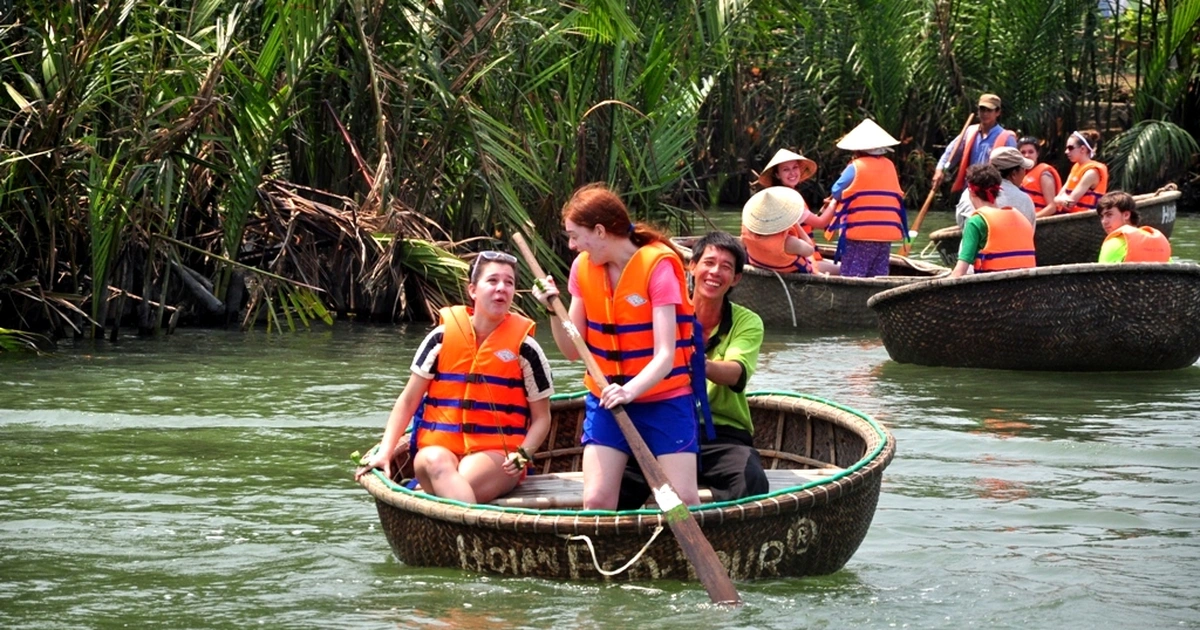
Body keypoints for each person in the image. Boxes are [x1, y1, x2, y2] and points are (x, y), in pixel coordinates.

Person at [532, 183, 703, 511]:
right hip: (607, 400)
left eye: (574, 235)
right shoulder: (583, 269)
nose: (571, 245)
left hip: (664, 400)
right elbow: (572, 350)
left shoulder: (658, 267)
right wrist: (551, 309)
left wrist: (629, 391)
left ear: (599, 231)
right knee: (596, 500)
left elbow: (666, 356)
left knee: (683, 502)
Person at [355, 251, 554, 504]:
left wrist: (523, 453)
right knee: (435, 462)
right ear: (472, 290)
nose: (501, 288)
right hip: (439, 450)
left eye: (509, 283)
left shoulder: (526, 348)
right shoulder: (440, 338)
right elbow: (408, 401)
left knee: (463, 478)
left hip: (497, 456)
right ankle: (472, 527)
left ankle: (462, 526)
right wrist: (385, 452)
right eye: (492, 281)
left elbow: (542, 417)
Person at [617, 231, 768, 509]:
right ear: (692, 266)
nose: (715, 272)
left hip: (721, 435)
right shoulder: (663, 310)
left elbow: (737, 372)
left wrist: (697, 364)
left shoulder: (747, 322)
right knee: (616, 488)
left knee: (751, 480)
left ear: (736, 278)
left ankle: (726, 546)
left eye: (726, 267)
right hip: (663, 427)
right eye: (708, 262)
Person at [822, 118, 907, 278]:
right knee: (879, 274)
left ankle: (852, 302)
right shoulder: (890, 166)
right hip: (885, 235)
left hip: (859, 235)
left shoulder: (855, 166)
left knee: (852, 274)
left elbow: (836, 191)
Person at [950, 165, 1036, 278]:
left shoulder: (976, 221)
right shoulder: (1021, 219)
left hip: (992, 291)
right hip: (1025, 288)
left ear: (971, 191)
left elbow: (959, 272)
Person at [932, 93, 1018, 193]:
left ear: (997, 112)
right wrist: (940, 170)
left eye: (989, 110)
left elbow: (1014, 170)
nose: (985, 114)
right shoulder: (969, 132)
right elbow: (951, 153)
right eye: (982, 109)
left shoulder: (1007, 138)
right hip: (969, 190)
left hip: (995, 193)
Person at [757, 149, 836, 239]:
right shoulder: (788, 198)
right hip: (799, 252)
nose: (792, 173)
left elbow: (807, 224)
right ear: (777, 175)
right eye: (786, 169)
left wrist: (824, 209)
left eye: (795, 167)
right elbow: (821, 223)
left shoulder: (783, 194)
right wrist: (835, 201)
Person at [741, 186, 821, 275]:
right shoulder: (790, 242)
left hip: (761, 267)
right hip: (791, 274)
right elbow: (810, 250)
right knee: (812, 261)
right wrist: (795, 223)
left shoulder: (746, 232)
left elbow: (741, 247)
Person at [956, 146, 1036, 228]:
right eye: (1023, 168)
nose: (1025, 172)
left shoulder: (970, 192)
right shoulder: (1025, 200)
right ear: (1014, 174)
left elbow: (961, 222)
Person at [1097, 191, 1171, 263]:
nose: (1104, 221)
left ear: (1126, 215)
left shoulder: (1112, 244)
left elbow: (1102, 274)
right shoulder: (1160, 245)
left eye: (1109, 215)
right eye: (1102, 217)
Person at [1052, 129, 1108, 214]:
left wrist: (1060, 199)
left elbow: (1069, 204)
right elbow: (1057, 198)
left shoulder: (1091, 172)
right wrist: (1060, 199)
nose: (1066, 151)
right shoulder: (1076, 168)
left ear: (1082, 149)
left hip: (1084, 219)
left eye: (1070, 148)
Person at [1017, 136, 1062, 216]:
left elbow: (1052, 207)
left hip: (1039, 222)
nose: (1027, 155)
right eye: (1023, 152)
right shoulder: (1018, 174)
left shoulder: (1044, 175)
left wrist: (1032, 220)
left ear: (1037, 154)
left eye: (1031, 152)